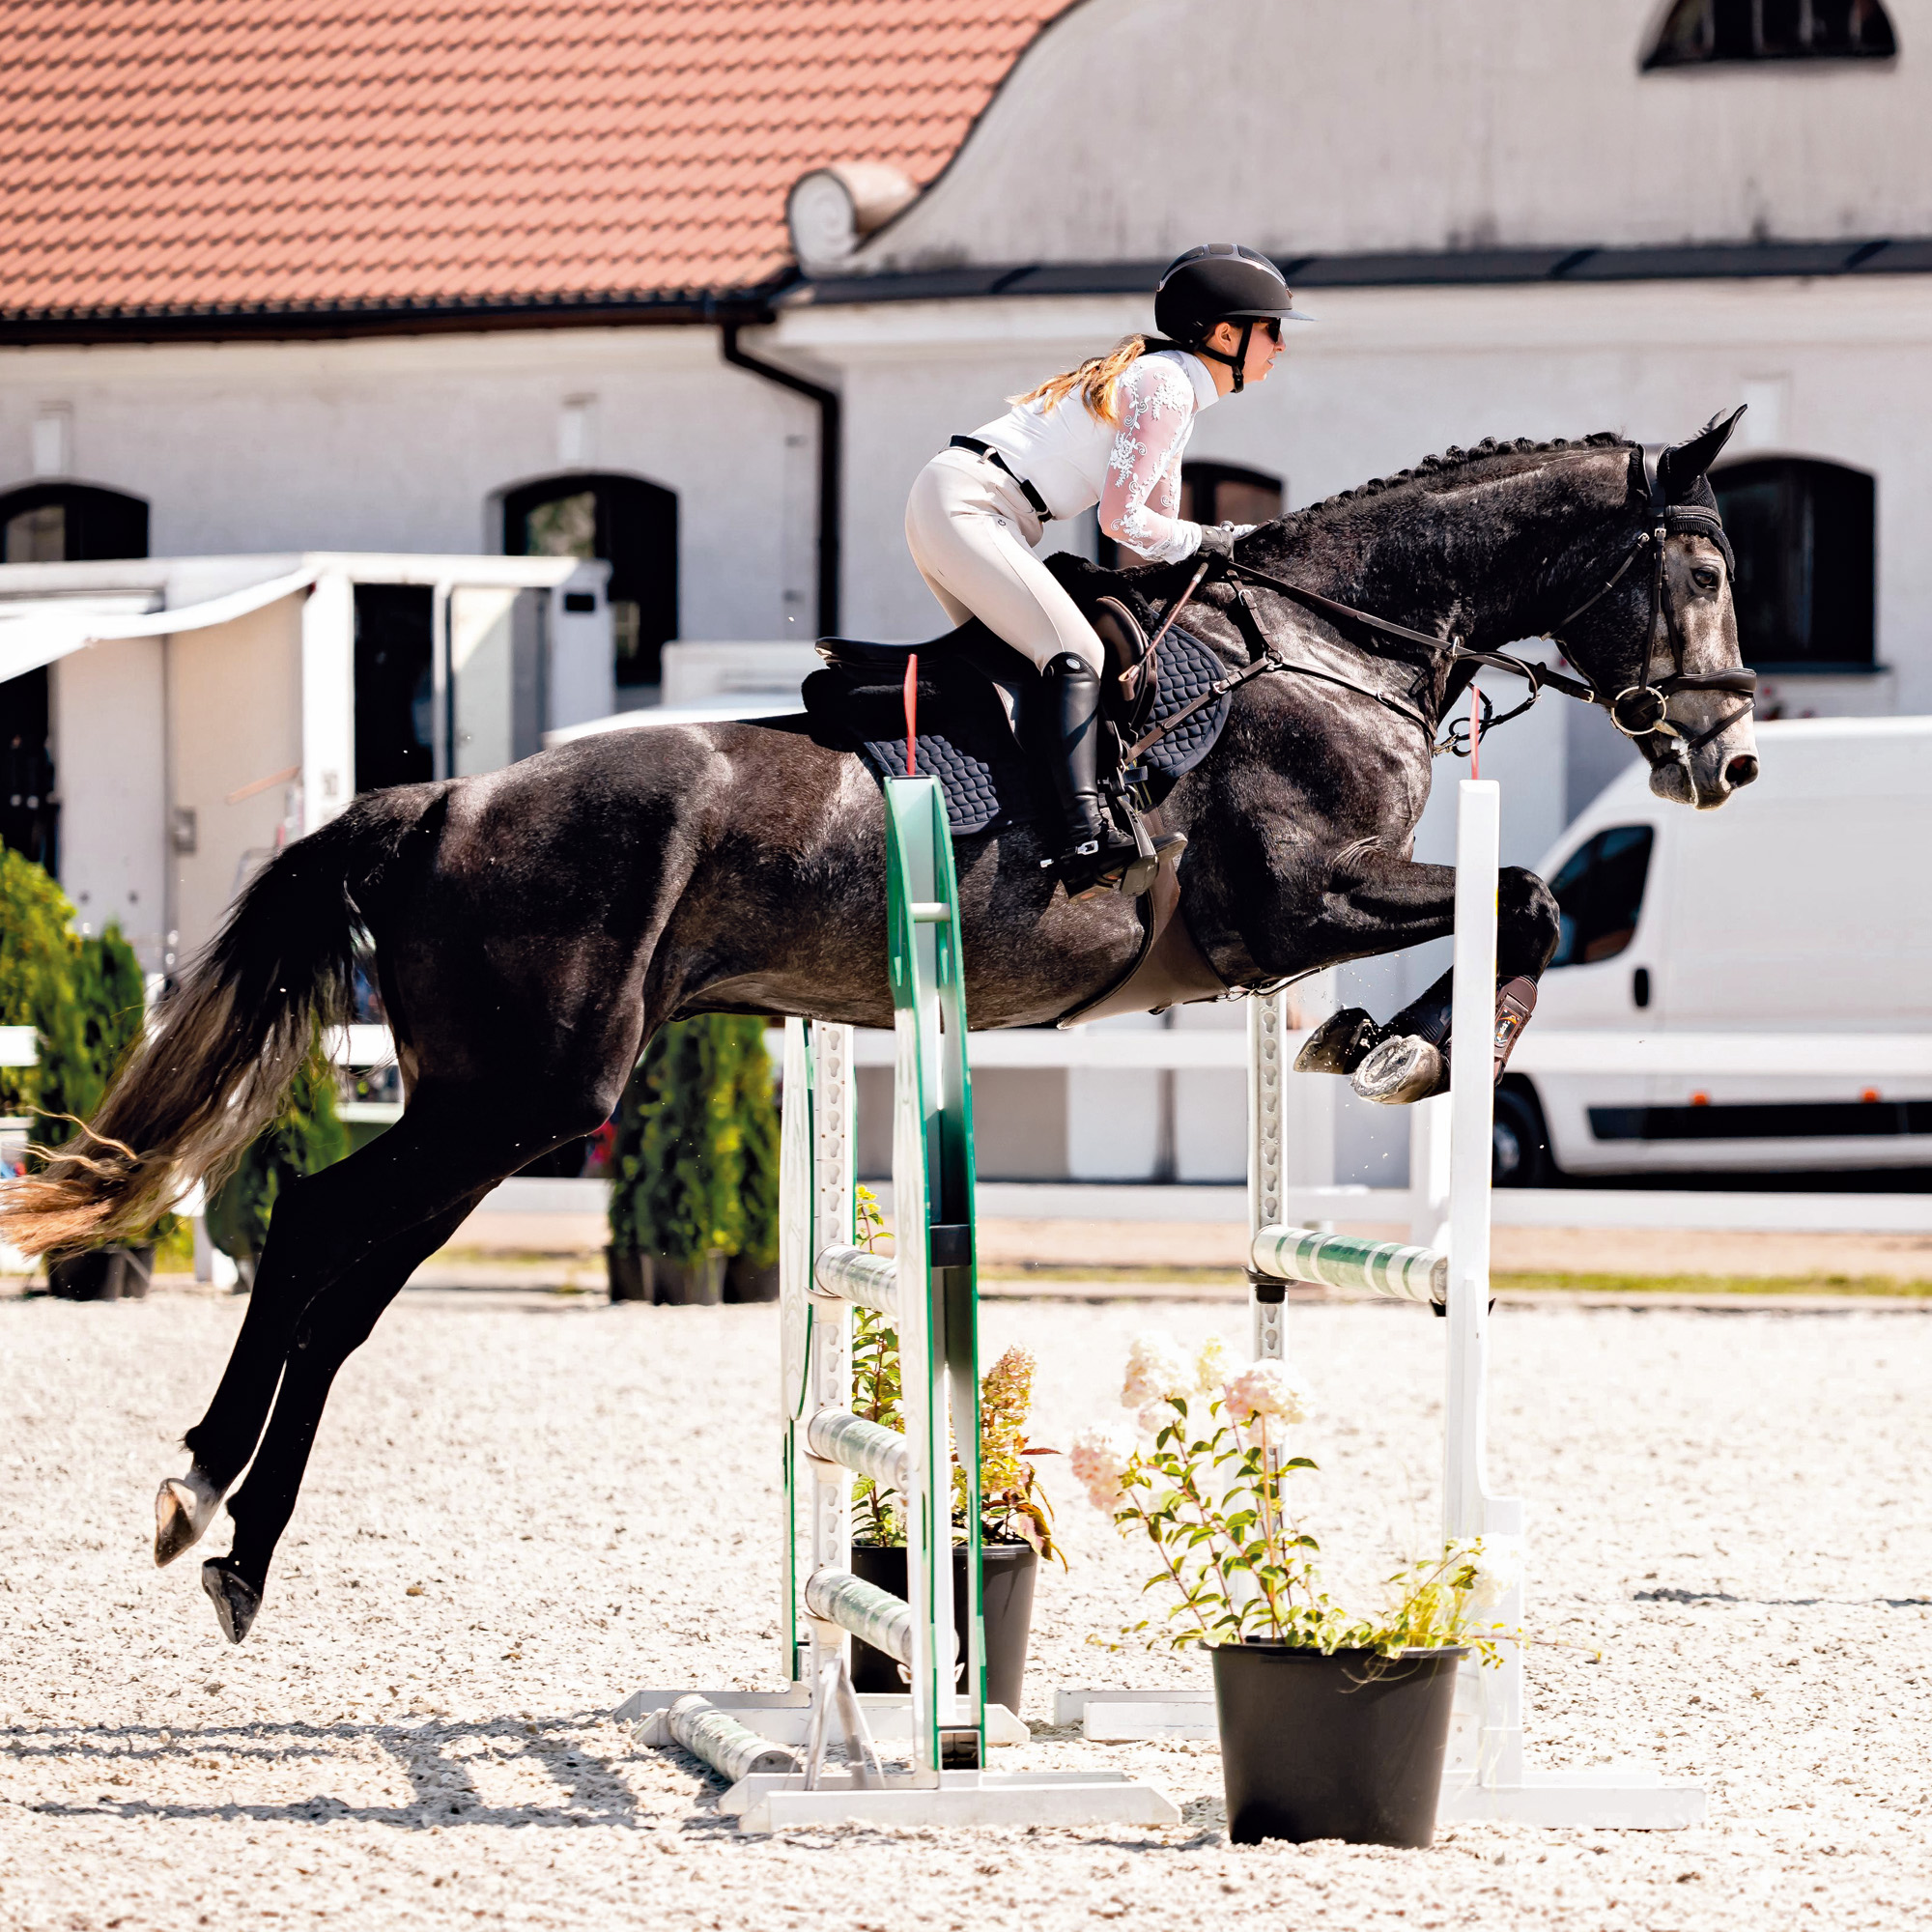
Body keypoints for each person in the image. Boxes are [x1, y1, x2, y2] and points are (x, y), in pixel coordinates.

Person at [904, 242, 1305, 898]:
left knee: (1023, 677)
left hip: (960, 504)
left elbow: (1155, 528)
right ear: (1227, 333)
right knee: (1074, 652)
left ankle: (1013, 829)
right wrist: (1224, 537)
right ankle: (1083, 839)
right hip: (972, 507)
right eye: (1273, 329)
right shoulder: (1168, 385)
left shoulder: (1172, 383)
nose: (1281, 346)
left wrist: (1213, 543)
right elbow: (1125, 522)